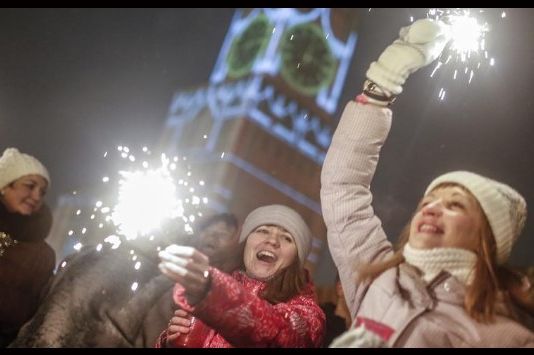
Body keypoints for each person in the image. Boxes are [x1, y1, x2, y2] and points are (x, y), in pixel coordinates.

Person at [321, 19, 534, 347]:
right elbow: (343, 187)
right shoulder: (378, 275)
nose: (433, 209)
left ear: (487, 235)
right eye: (428, 202)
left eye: (455, 205)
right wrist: (381, 84)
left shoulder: (507, 336)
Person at [9, 212, 242, 347]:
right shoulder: (121, 258)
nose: (213, 236)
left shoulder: (197, 296)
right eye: (210, 230)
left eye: (224, 235)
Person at [156, 204, 325, 348]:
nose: (272, 241)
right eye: (263, 230)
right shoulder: (215, 287)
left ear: (296, 259)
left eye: (287, 238)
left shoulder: (308, 313)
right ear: (246, 243)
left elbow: (279, 333)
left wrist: (214, 293)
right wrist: (169, 340)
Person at [0, 147, 55, 347]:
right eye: (29, 185)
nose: (36, 196)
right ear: (5, 186)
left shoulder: (43, 255)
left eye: (42, 191)